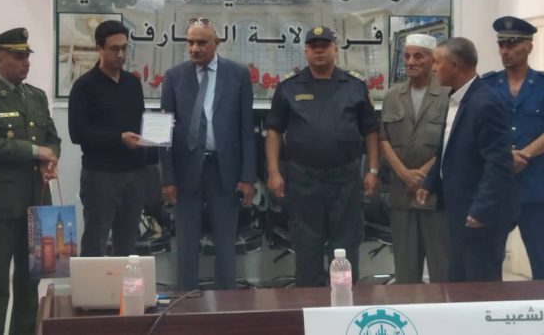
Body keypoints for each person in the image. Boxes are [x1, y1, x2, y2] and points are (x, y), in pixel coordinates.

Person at [265, 25, 379, 287]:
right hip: (303, 180)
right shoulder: (288, 88)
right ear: (306, 51)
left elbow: (371, 132)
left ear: (335, 50)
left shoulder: (355, 86)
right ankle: (310, 304)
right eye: (313, 46)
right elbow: (273, 132)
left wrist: (372, 170)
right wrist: (273, 172)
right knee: (307, 246)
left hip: (345, 180)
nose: (319, 51)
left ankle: (344, 304)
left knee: (346, 246)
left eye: (324, 46)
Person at [0, 27, 61, 335]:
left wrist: (50, 157)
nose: (26, 62)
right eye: (19, 56)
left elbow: (52, 138)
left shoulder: (37, 96)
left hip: (37, 200)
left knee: (30, 280)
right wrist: (36, 151)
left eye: (27, 56)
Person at [160, 18, 256, 290]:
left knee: (225, 243)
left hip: (225, 170)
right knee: (186, 243)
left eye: (201, 42)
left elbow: (246, 129)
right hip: (186, 171)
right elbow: (165, 131)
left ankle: (226, 303)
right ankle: (186, 302)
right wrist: (168, 178)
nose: (194, 48)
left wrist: (248, 177)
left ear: (217, 43)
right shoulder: (174, 77)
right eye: (190, 42)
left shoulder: (238, 75)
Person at [417, 37, 518, 282]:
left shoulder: (485, 103)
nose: (433, 68)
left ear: (455, 65)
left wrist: (482, 208)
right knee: (459, 281)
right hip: (457, 209)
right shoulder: (456, 99)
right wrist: (430, 182)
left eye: (437, 62)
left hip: (480, 215)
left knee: (480, 285)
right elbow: (447, 149)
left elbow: (497, 162)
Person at [68, 20, 148, 256]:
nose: (120, 54)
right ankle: (91, 284)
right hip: (100, 177)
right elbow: (77, 133)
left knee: (128, 246)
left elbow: (141, 123)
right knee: (95, 244)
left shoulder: (133, 83)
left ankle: (123, 284)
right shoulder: (84, 86)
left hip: (134, 175)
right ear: (99, 48)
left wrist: (158, 133)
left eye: (124, 48)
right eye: (114, 49)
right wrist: (118, 138)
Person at [380, 34, 449, 284]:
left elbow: (451, 140)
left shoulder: (448, 94)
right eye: (407, 56)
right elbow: (383, 139)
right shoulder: (392, 96)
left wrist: (425, 173)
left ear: (433, 60)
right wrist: (404, 173)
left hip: (436, 195)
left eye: (418, 56)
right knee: (406, 273)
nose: (410, 62)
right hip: (402, 193)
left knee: (443, 270)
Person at [482, 16, 544, 279]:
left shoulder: (542, 85)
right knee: (488, 262)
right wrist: (505, 156)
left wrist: (525, 154)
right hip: (496, 186)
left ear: (529, 45)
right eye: (501, 45)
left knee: (541, 261)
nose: (505, 51)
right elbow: (478, 131)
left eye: (512, 44)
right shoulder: (486, 85)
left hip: (536, 187)